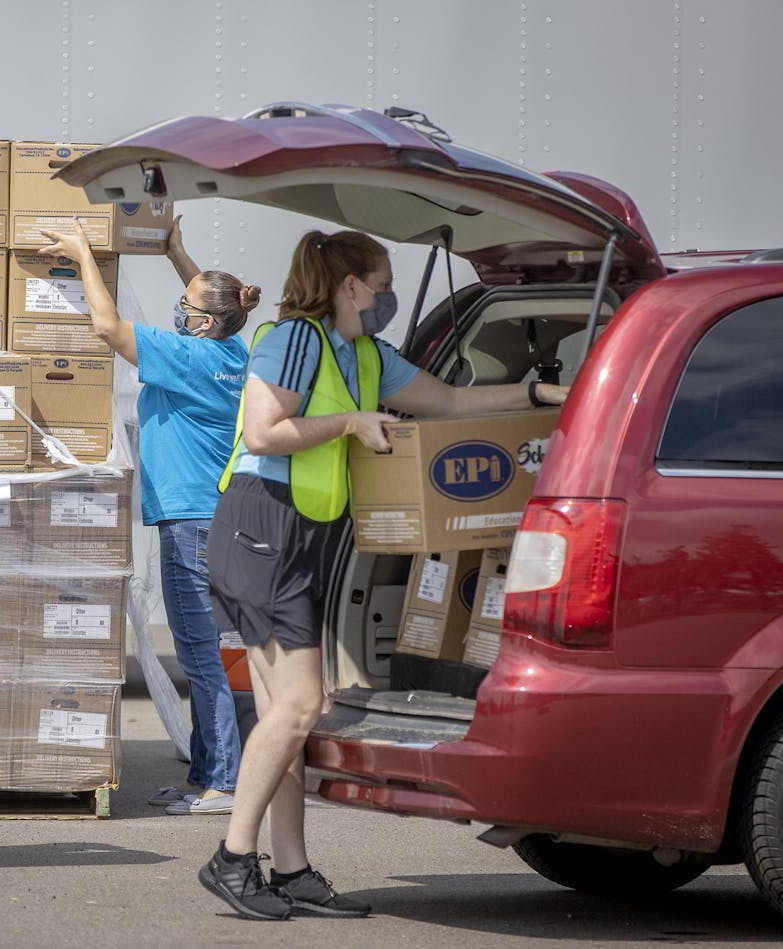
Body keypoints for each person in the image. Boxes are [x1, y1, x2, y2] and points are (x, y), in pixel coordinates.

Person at [197, 229, 569, 920]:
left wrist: (543, 392)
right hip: (260, 527)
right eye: (382, 282)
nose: (388, 296)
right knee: (299, 706)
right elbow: (261, 433)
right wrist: (346, 422)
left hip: (299, 536)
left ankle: (292, 869)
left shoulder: (365, 354)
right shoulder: (293, 340)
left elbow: (453, 404)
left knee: (289, 714)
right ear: (350, 288)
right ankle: (232, 858)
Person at [39, 216, 258, 816]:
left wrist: (83, 254)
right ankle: (204, 772)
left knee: (200, 656)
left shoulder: (188, 357)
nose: (177, 312)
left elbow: (107, 327)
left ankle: (223, 784)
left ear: (203, 322)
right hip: (206, 518)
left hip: (192, 523)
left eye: (185, 306)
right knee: (202, 651)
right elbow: (221, 302)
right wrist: (177, 254)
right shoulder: (231, 349)